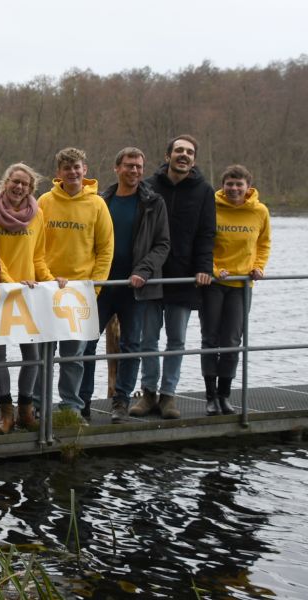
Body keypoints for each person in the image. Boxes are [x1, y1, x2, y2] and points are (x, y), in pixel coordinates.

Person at [77, 148, 170, 423]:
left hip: (135, 287)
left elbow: (162, 244)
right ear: (116, 168)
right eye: (129, 166)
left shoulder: (154, 202)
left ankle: (121, 402)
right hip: (100, 286)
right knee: (87, 344)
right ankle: (82, 402)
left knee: (132, 346)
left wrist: (143, 270)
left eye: (139, 167)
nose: (135, 171)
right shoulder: (101, 201)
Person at [134, 134, 216, 419]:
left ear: (194, 159)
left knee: (177, 340)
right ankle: (148, 394)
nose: (184, 155)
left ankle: (168, 396)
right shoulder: (148, 186)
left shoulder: (204, 191)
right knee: (148, 339)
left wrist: (204, 269)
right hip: (151, 275)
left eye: (189, 152)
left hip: (184, 278)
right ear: (168, 155)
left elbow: (207, 234)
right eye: (179, 150)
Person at [38, 147, 114, 423]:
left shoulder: (97, 204)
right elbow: (35, 244)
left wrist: (95, 287)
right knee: (43, 352)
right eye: (67, 168)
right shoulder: (44, 202)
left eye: (77, 167)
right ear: (58, 173)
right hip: (47, 287)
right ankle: (38, 405)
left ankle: (70, 406)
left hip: (81, 291)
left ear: (85, 170)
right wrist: (43, 277)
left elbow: (106, 249)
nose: (72, 172)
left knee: (74, 356)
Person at [0, 163, 54, 433]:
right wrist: (10, 283)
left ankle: (26, 412)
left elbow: (38, 256)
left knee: (32, 353)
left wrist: (50, 281)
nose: (19, 187)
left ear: (31, 188)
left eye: (25, 183)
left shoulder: (38, 216)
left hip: (29, 293)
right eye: (15, 181)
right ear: (5, 182)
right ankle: (5, 414)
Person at [200, 165, 270, 415]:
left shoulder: (259, 211)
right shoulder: (212, 206)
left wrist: (259, 267)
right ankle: (209, 397)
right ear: (222, 185)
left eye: (239, 184)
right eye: (229, 183)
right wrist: (214, 269)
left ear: (248, 186)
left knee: (232, 341)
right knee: (210, 339)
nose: (234, 188)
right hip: (214, 284)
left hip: (241, 285)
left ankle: (224, 395)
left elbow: (263, 243)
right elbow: (204, 242)